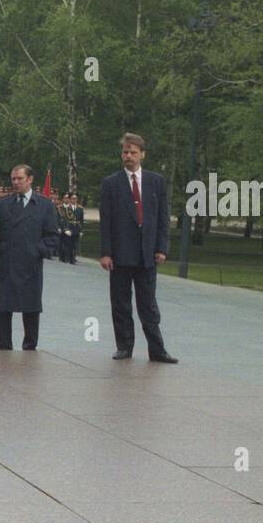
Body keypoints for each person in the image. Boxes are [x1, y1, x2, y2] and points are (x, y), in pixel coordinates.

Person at [99, 133, 177, 363]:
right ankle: (124, 347)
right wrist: (105, 252)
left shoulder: (156, 181)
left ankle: (157, 349)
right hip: (120, 254)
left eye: (133, 152)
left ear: (142, 154)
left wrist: (162, 248)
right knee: (121, 303)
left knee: (148, 304)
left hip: (147, 254)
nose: (129, 156)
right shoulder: (111, 183)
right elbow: (106, 221)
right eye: (125, 152)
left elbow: (163, 218)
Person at [0, 165, 58, 350]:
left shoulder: (44, 205)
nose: (15, 182)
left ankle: (30, 346)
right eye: (13, 179)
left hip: (30, 265)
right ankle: (4, 346)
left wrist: (38, 250)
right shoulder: (3, 204)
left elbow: (52, 236)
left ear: (30, 179)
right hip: (7, 263)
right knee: (5, 309)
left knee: (31, 308)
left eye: (19, 179)